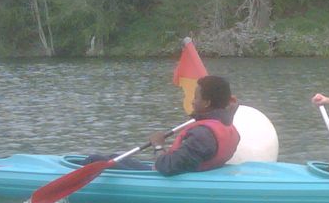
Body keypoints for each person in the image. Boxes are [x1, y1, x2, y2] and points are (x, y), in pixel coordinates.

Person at [86, 75, 240, 175]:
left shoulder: (203, 135)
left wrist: (158, 146)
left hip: (169, 175)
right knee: (114, 157)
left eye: (196, 97)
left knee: (95, 159)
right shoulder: (228, 125)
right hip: (190, 170)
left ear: (207, 103)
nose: (193, 101)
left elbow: (167, 167)